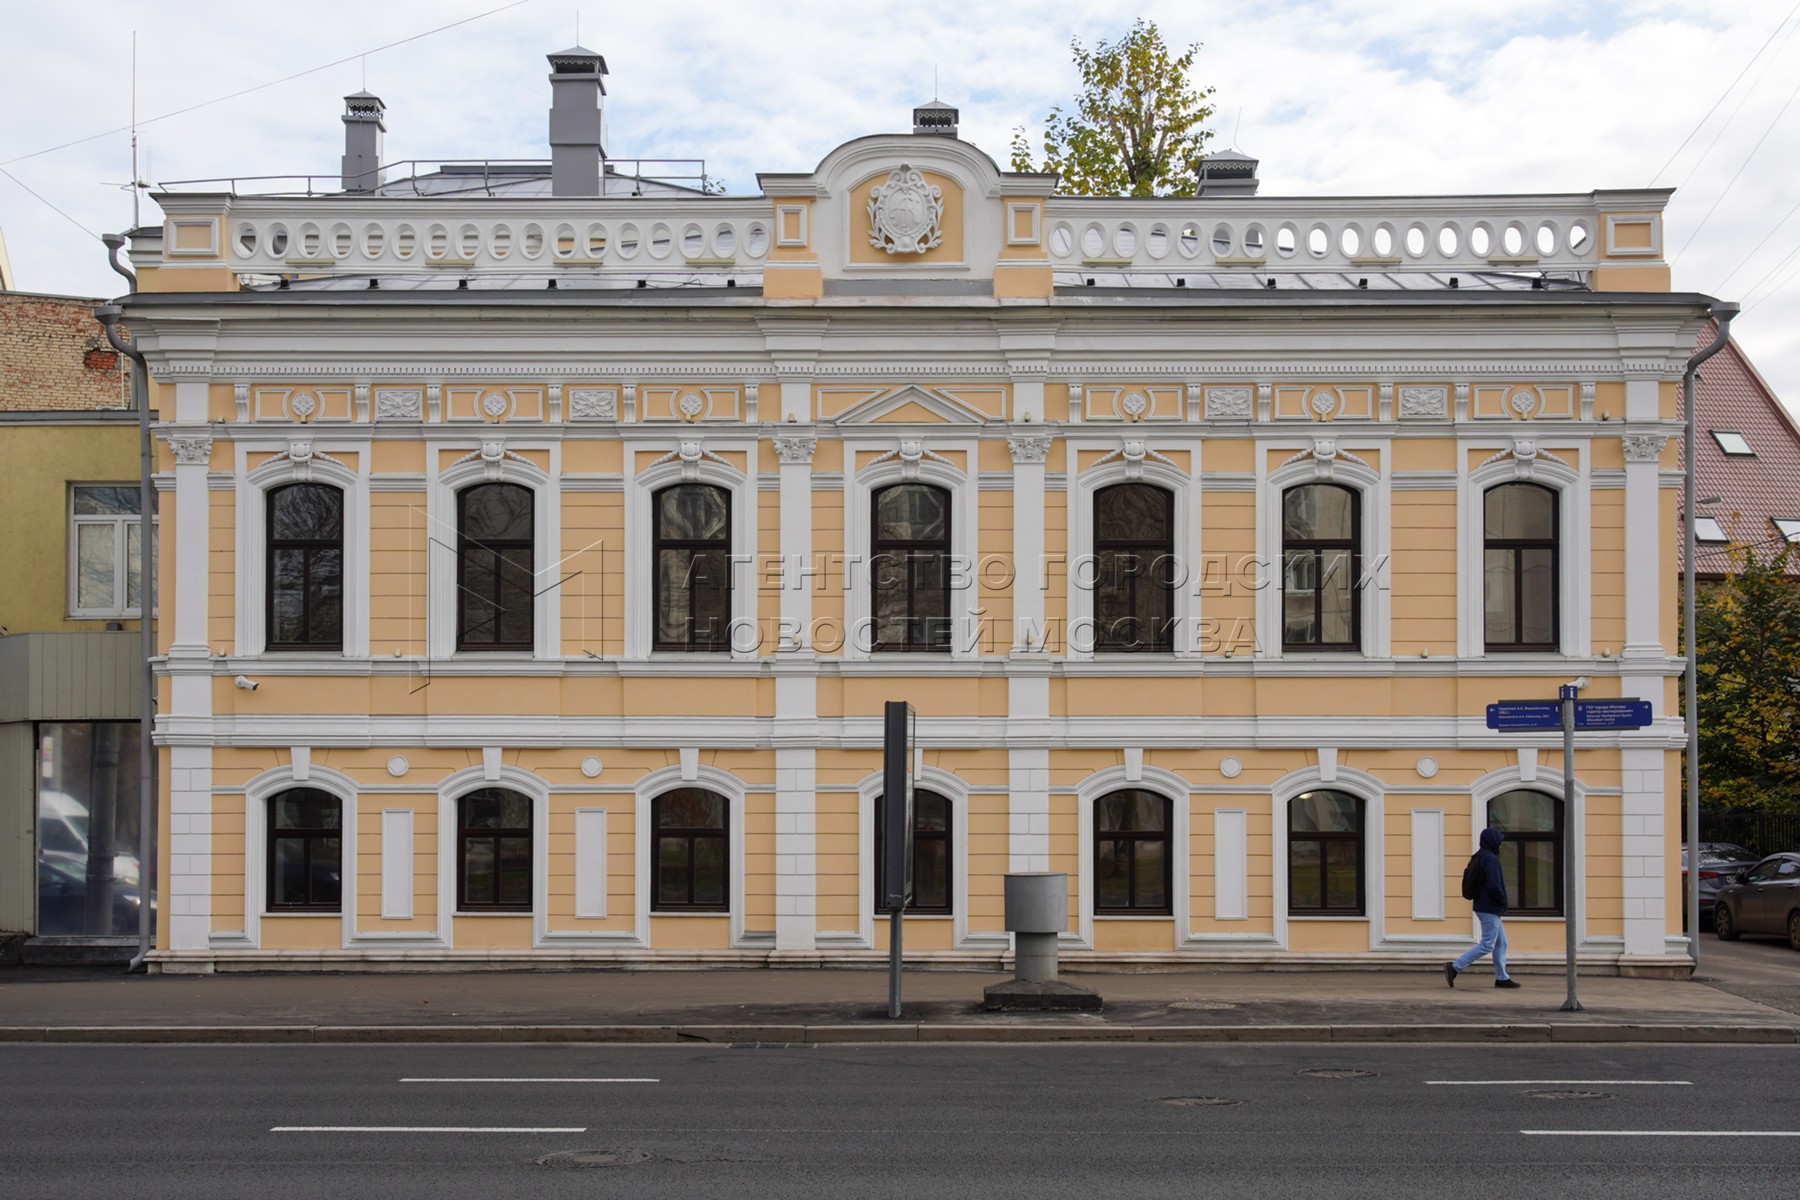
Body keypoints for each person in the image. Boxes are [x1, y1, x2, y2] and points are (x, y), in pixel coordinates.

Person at [1445, 826, 1520, 989]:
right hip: (1489, 907)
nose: (1500, 846)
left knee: (1501, 943)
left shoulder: (1479, 857)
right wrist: (1502, 901)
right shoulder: (1490, 859)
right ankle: (1455, 966)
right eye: (1499, 842)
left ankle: (1502, 977)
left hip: (1484, 905)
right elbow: (1494, 885)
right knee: (1488, 944)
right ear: (1492, 842)